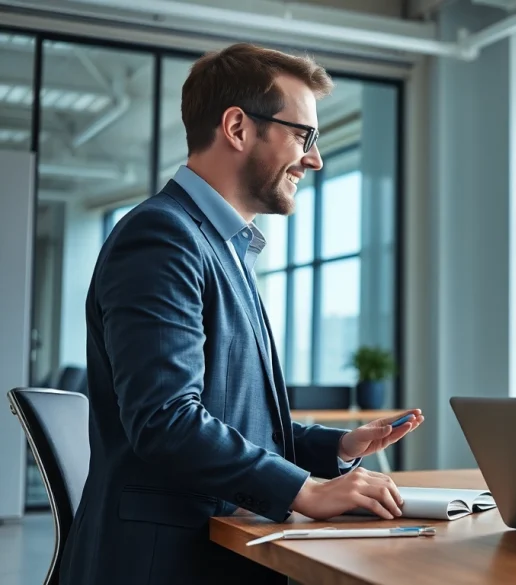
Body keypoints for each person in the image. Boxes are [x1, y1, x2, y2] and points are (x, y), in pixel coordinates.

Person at [60, 43, 421, 585]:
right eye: (303, 136)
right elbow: (166, 420)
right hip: (165, 561)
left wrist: (336, 447)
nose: (314, 158)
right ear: (237, 127)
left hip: (217, 544)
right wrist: (306, 491)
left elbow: (230, 417)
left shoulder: (223, 246)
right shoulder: (163, 236)